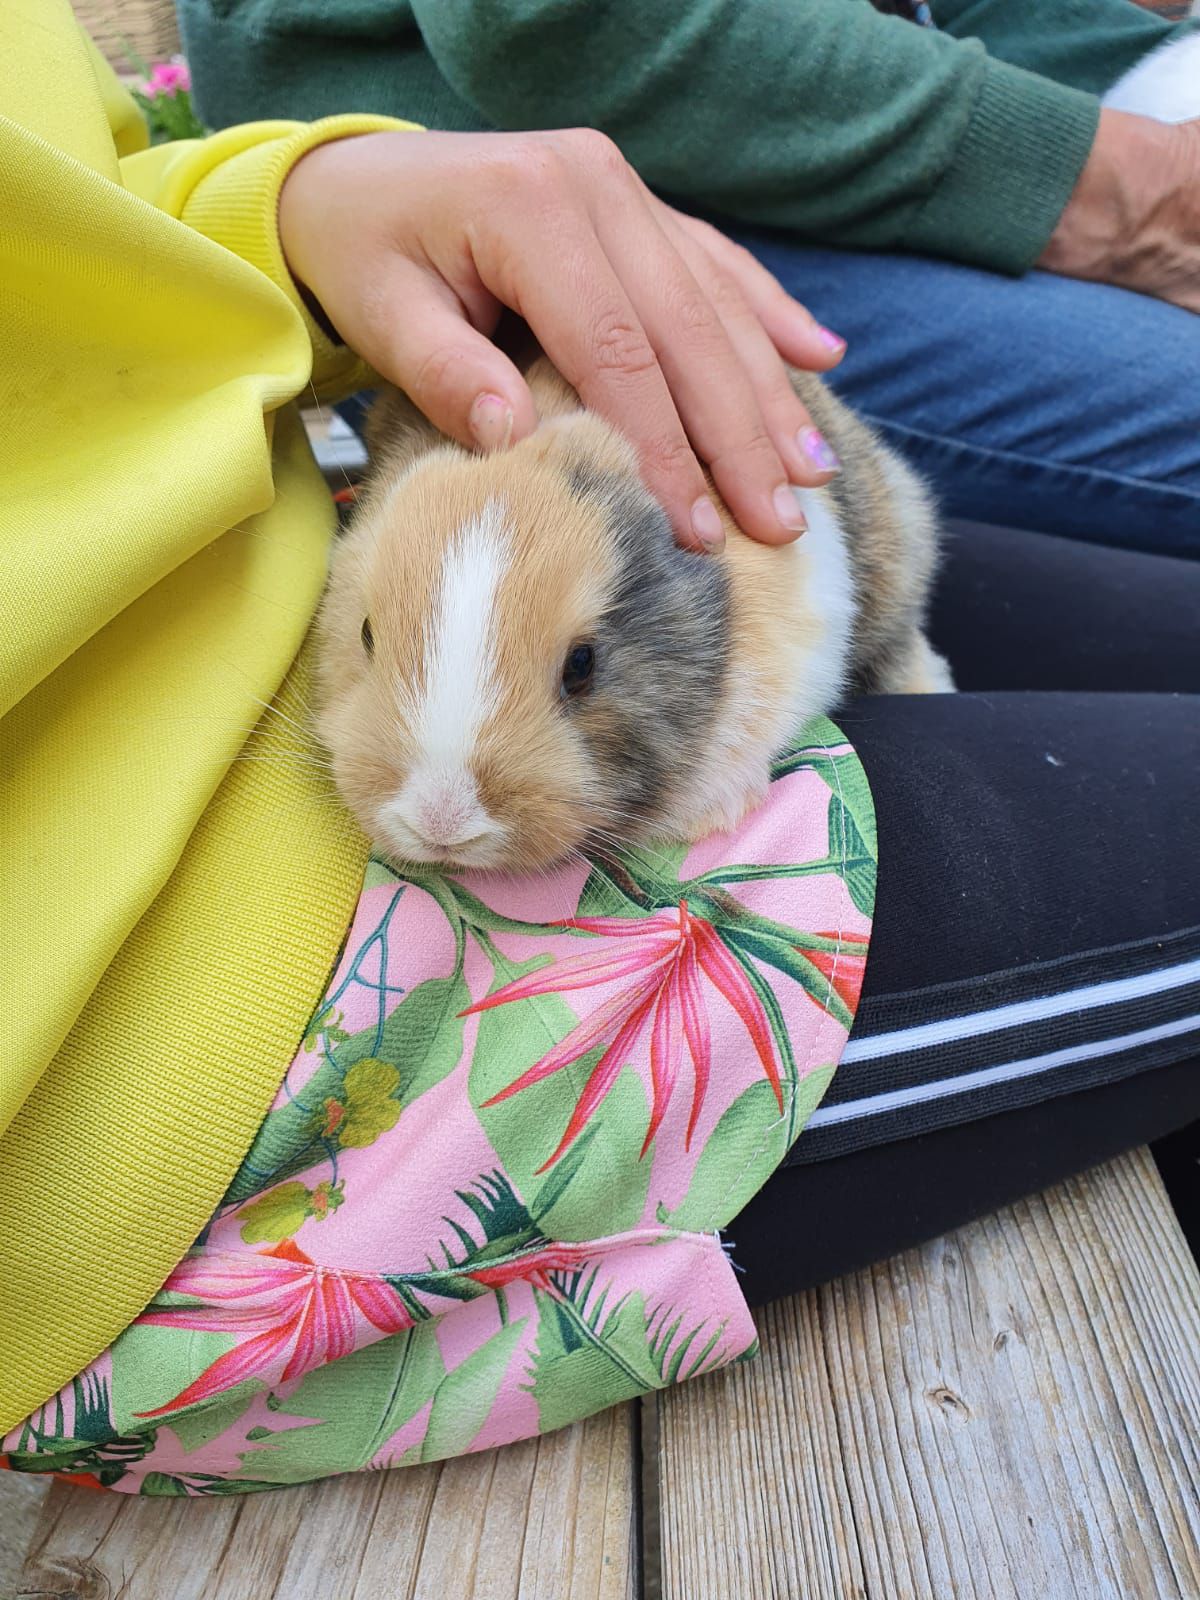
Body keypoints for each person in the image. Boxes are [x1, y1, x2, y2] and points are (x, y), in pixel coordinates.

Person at [1, 2, 1197, 1496]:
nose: (446, 814)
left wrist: (278, 210)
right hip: (186, 1069)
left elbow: (62, 232)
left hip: (247, 609)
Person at [177, 0, 1200, 558]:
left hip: (793, 141)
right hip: (506, 190)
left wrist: (1155, 79)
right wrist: (1135, 189)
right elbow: (548, 22)